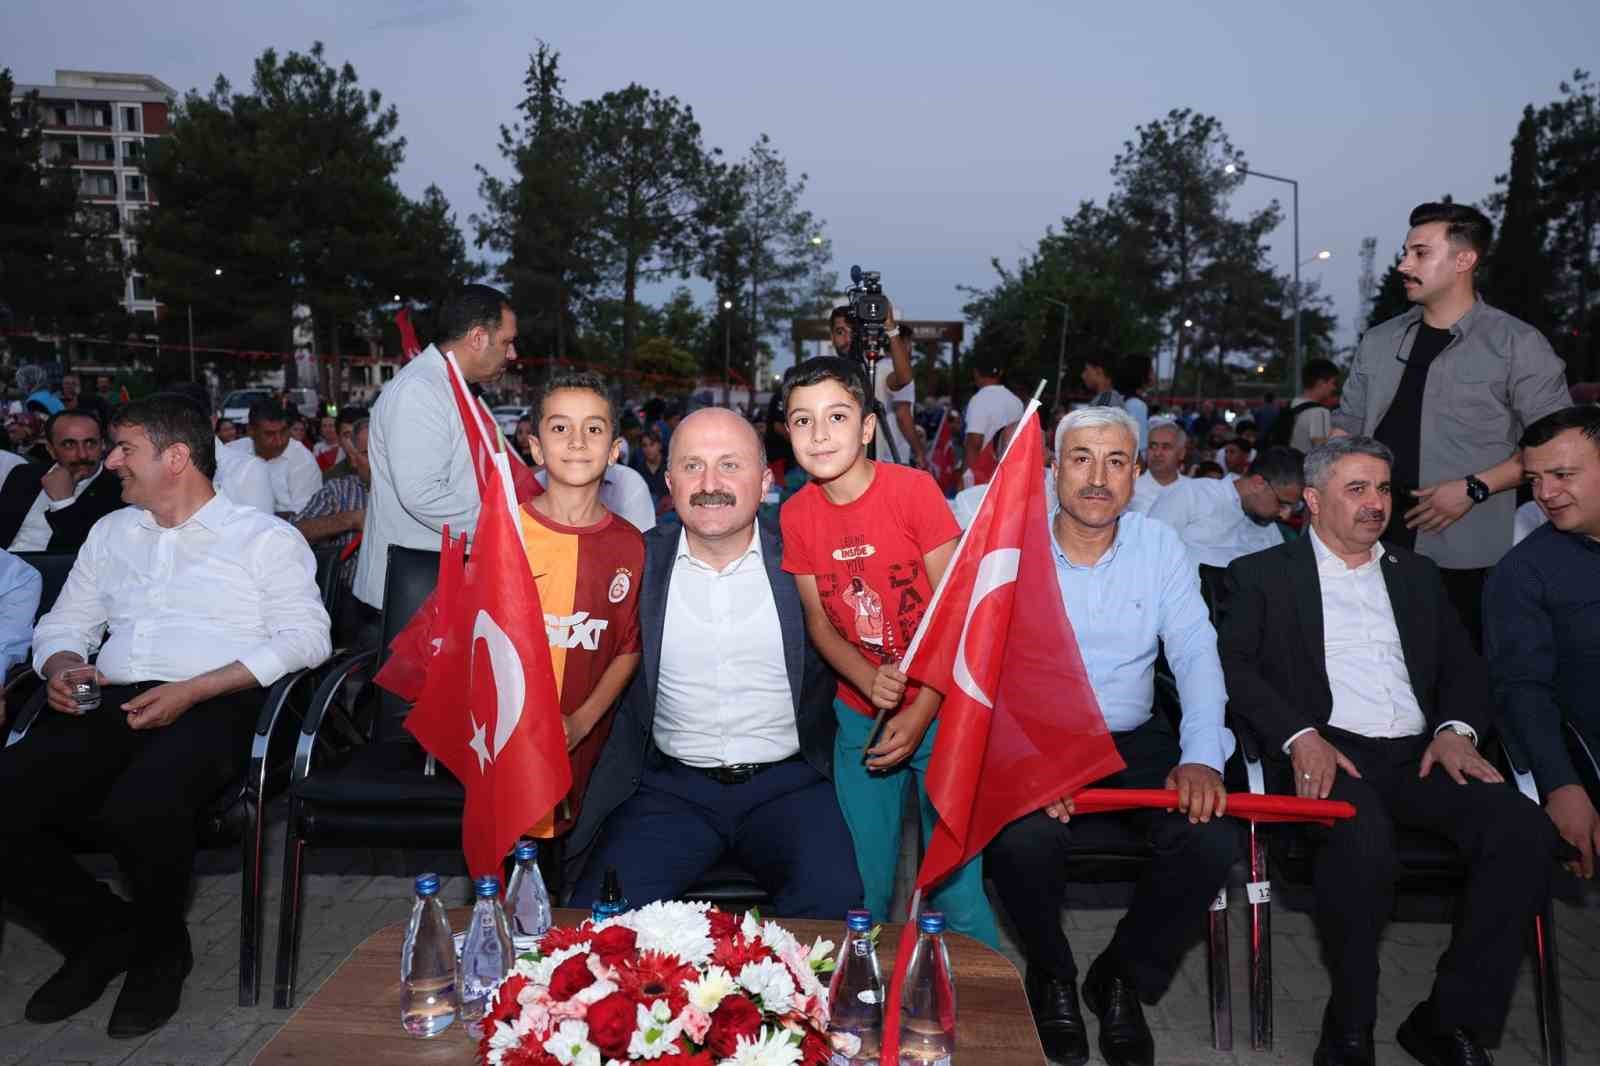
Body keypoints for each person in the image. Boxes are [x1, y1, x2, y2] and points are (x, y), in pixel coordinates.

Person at [1218, 435, 1559, 1066]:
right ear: (1314, 501)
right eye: (1358, 489)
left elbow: (1464, 667)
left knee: (1524, 831)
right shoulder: (1261, 576)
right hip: (1328, 750)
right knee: (1361, 839)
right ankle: (1349, 1025)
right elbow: (1235, 670)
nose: (1376, 504)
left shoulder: (1417, 575)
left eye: (1382, 489)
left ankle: (1445, 1018)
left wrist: (1455, 729)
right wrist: (1299, 736)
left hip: (1420, 754)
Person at [0, 394, 330, 1038]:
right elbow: (65, 625)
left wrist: (195, 690)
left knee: (142, 806)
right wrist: (63, 666)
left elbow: (306, 638)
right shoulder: (111, 532)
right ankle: (101, 933)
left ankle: (161, 953)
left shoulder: (263, 537)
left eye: (125, 449)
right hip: (114, 696)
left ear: (176, 458)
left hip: (218, 701)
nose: (112, 461)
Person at [986, 406, 1235, 1066]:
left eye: (1116, 461)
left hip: (1134, 738)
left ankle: (1119, 974)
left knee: (1210, 838)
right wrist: (1030, 764)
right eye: (1081, 459)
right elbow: (984, 676)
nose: (1098, 477)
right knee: (1021, 840)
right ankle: (1053, 973)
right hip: (1036, 738)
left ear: (1135, 475)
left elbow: (1195, 654)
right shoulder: (1012, 548)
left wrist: (1202, 756)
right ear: (1053, 470)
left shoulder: (1161, 547)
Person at [567, 406, 860, 915]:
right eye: (692, 465)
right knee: (596, 924)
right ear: (669, 480)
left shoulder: (806, 562)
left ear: (766, 479)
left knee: (839, 916)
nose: (710, 483)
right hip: (668, 790)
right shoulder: (634, 563)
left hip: (791, 787)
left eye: (730, 465)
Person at [779, 356, 999, 946]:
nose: (820, 434)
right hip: (861, 721)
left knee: (957, 889)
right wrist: (868, 677)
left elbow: (957, 611)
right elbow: (821, 625)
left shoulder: (914, 491)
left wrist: (921, 704)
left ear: (868, 426)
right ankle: (864, 1011)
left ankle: (997, 1020)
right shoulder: (796, 514)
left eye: (837, 416)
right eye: (802, 421)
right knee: (863, 888)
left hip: (943, 713)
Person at [1334, 202, 1571, 648]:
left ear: (1465, 260)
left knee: (1462, 681)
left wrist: (1473, 488)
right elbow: (1345, 425)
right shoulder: (1379, 341)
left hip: (1466, 554)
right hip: (1368, 546)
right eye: (1405, 251)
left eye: (1420, 253)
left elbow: (1560, 448)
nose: (1404, 264)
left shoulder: (1516, 344)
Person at [1485, 406, 1600, 879]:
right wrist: (1561, 785)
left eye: (1562, 474)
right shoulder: (1524, 573)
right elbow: (1521, 689)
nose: (1545, 494)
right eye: (1534, 479)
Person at [355, 284, 518, 610]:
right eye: (507, 342)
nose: (513, 354)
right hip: (410, 598)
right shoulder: (421, 390)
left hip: (438, 586)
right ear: (477, 338)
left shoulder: (455, 387)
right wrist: (506, 529)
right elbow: (422, 494)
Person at [1147, 446, 1305, 568]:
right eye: (1282, 503)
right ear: (1258, 483)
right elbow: (1148, 555)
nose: (1285, 515)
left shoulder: (1269, 529)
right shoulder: (1189, 495)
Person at [2, 410, 123, 553]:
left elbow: (89, 554)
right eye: (69, 444)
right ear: (50, 449)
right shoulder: (24, 474)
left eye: (90, 443)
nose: (82, 454)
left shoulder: (118, 490)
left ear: (103, 445)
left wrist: (63, 503)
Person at [829, 301, 925, 467]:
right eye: (840, 332)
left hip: (872, 471)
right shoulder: (822, 375)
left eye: (853, 332)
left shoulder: (877, 371)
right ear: (832, 336)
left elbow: (904, 378)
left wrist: (891, 328)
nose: (847, 339)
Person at [228, 399, 321, 518]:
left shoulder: (304, 462)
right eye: (269, 434)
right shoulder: (232, 453)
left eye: (283, 432)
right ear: (251, 431)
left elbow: (303, 518)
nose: (279, 441)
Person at [293, 417, 371, 554]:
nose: (376, 460)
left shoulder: (411, 492)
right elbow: (294, 532)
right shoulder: (339, 491)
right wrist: (350, 520)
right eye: (367, 453)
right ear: (354, 458)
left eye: (382, 452)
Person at [964, 360, 1025, 486]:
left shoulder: (978, 400)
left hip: (985, 476)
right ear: (1000, 373)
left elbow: (974, 442)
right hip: (1012, 474)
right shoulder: (1016, 401)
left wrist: (968, 478)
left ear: (976, 373)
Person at [1273, 357, 1340, 453]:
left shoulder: (1292, 404)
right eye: (1333, 383)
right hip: (1304, 467)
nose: (1334, 388)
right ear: (1321, 383)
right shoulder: (1319, 412)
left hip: (1285, 464)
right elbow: (1322, 453)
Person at [1128, 416, 1187, 514]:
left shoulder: (1192, 490)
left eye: (1166, 447)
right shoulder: (1129, 490)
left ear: (1181, 453)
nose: (1157, 453)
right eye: (1153, 446)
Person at [627, 428, 669, 510]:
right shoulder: (638, 470)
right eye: (644, 446)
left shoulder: (670, 467)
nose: (648, 449)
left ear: (659, 446)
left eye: (652, 444)